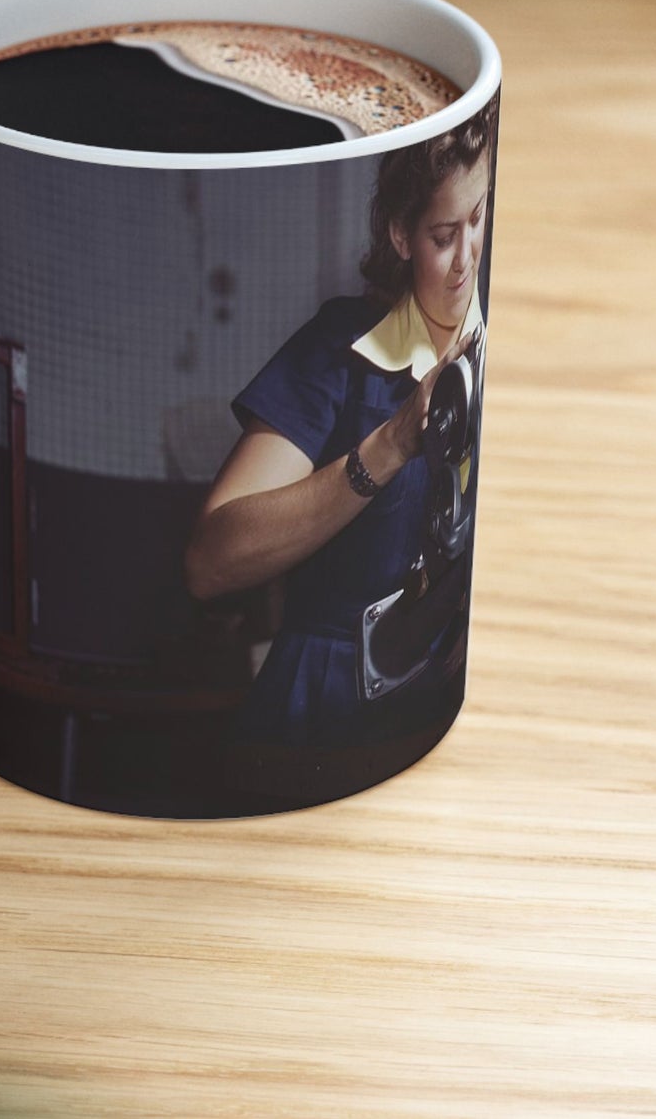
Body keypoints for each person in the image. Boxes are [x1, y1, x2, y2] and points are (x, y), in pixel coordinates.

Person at [184, 101, 496, 798]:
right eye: (443, 233)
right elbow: (210, 563)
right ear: (399, 235)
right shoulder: (340, 349)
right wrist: (388, 443)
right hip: (316, 714)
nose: (467, 255)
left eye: (479, 220)